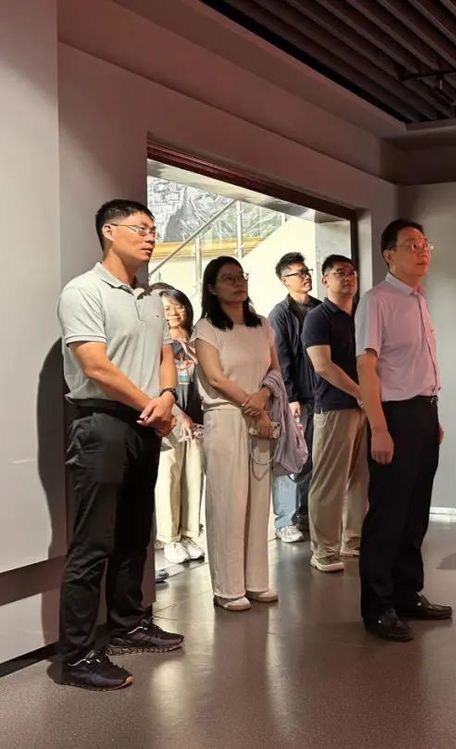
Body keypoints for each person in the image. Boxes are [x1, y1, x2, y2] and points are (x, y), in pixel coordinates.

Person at [57, 199, 184, 691]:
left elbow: (165, 353)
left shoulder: (150, 297)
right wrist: (152, 404)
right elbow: (95, 365)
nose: (150, 237)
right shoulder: (83, 290)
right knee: (94, 542)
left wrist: (167, 396)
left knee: (135, 533)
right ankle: (78, 655)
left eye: (153, 229)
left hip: (146, 421)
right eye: (140, 228)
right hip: (102, 423)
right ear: (109, 231)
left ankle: (128, 623)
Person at [356, 219, 452, 642]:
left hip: (423, 414)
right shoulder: (377, 300)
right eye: (411, 245)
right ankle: (378, 607)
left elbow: (417, 366)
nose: (422, 250)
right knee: (388, 515)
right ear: (388, 255)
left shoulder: (419, 298)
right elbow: (366, 367)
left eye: (425, 243)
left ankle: (407, 593)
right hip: (393, 416)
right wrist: (379, 428)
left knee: (415, 513)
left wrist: (433, 418)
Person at [193, 257, 281, 611]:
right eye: (228, 279)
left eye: (240, 276)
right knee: (228, 502)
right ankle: (227, 588)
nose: (238, 283)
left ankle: (256, 580)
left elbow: (274, 369)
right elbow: (215, 377)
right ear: (212, 288)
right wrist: (251, 403)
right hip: (226, 415)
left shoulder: (262, 325)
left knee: (259, 503)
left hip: (259, 414)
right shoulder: (206, 328)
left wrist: (262, 399)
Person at [303, 254, 367, 573]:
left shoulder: (361, 315)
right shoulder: (318, 317)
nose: (348, 277)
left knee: (361, 479)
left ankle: (353, 540)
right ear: (325, 280)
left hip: (364, 407)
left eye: (352, 272)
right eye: (340, 272)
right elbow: (323, 366)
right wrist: (361, 393)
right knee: (329, 482)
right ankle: (324, 549)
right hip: (334, 407)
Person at [269, 252, 320, 543]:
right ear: (284, 280)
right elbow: (281, 357)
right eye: (299, 273)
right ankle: (284, 520)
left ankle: (305, 513)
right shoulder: (280, 314)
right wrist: (291, 397)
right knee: (291, 459)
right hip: (296, 397)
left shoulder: (319, 308)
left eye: (306, 271)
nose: (306, 276)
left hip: (320, 395)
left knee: (313, 459)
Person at [153, 287, 205, 566]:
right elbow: (155, 384)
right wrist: (177, 413)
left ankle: (189, 534)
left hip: (198, 420)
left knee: (193, 479)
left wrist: (192, 352)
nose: (174, 313)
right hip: (170, 420)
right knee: (169, 479)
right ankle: (169, 538)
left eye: (179, 306)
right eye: (167, 309)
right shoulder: (156, 343)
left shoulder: (197, 340)